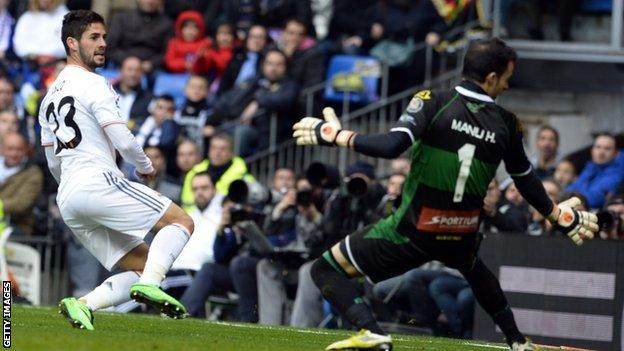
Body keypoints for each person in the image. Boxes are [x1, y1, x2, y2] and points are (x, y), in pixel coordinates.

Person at [292, 38, 599, 351]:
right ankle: (517, 341)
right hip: (460, 229)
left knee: (324, 268)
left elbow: (392, 146)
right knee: (474, 269)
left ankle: (373, 333)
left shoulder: (433, 101)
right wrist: (555, 213)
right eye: (507, 78)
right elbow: (525, 179)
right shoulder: (509, 124)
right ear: (492, 78)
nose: (507, 86)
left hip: (415, 228)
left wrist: (337, 136)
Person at [39, 10, 194, 331]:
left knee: (145, 263)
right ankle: (152, 286)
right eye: (94, 37)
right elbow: (121, 136)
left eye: (105, 37)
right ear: (72, 43)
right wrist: (145, 166)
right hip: (96, 180)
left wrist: (70, 187)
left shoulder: (48, 98)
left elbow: (52, 159)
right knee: (181, 221)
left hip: (68, 197)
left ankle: (83, 303)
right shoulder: (95, 83)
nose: (103, 44)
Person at [566, 133, 624, 209]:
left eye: (607, 148)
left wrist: (574, 195)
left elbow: (593, 199)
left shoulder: (617, 172)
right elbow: (567, 191)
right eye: (598, 147)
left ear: (616, 153)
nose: (601, 152)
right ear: (592, 150)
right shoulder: (590, 166)